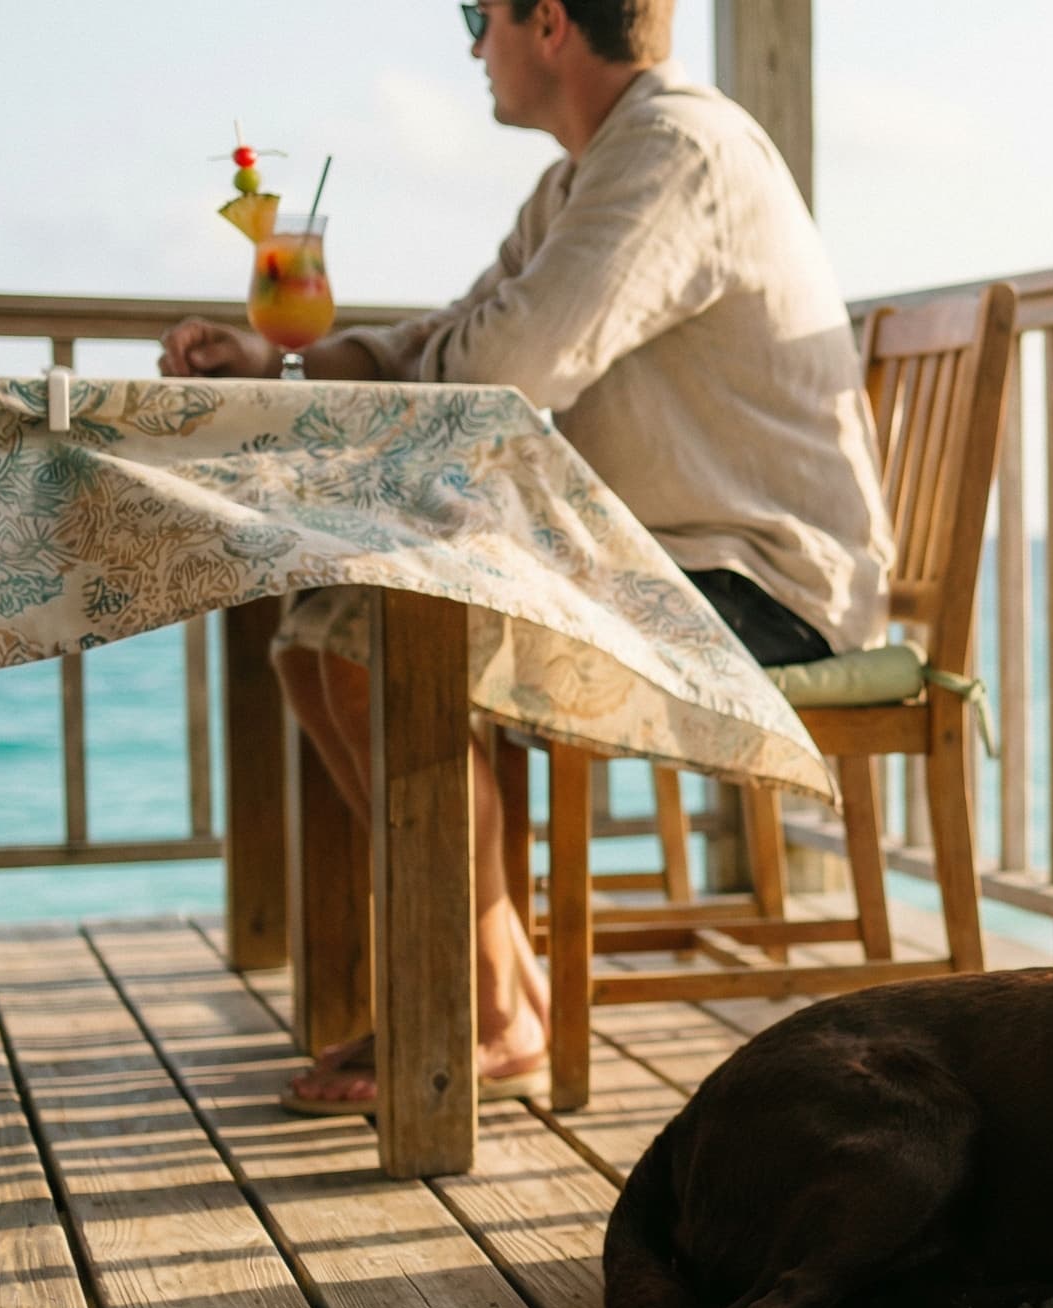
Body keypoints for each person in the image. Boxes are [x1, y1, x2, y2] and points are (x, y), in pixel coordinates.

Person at [160, 0, 890, 1111]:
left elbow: (509, 365)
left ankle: (490, 1007)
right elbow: (449, 335)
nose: (467, 45)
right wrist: (287, 362)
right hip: (668, 562)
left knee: (374, 634)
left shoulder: (675, 149)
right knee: (322, 630)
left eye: (476, 14)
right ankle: (486, 990)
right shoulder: (583, 175)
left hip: (760, 587)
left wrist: (357, 372)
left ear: (547, 21)